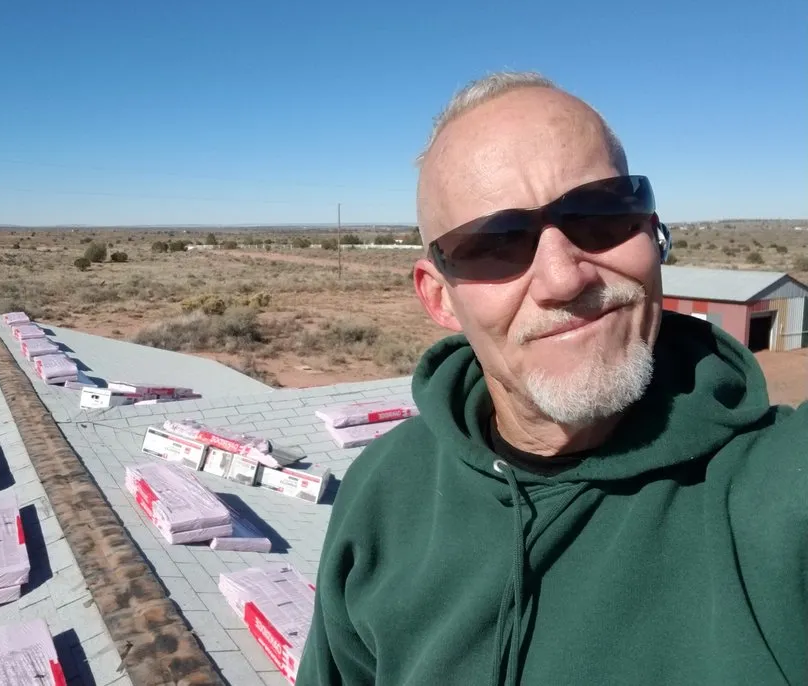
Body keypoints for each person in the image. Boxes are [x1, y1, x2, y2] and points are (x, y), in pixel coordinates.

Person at [295, 72, 808, 686]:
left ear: (651, 232)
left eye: (601, 215)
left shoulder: (776, 490)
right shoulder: (384, 491)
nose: (565, 279)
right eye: (496, 243)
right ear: (440, 298)